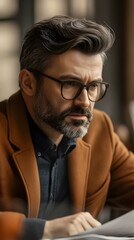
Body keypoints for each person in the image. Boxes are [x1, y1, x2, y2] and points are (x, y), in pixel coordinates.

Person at [0, 14, 134, 240]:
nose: (85, 102)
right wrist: (43, 230)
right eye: (70, 84)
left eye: (93, 86)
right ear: (28, 82)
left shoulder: (100, 129)